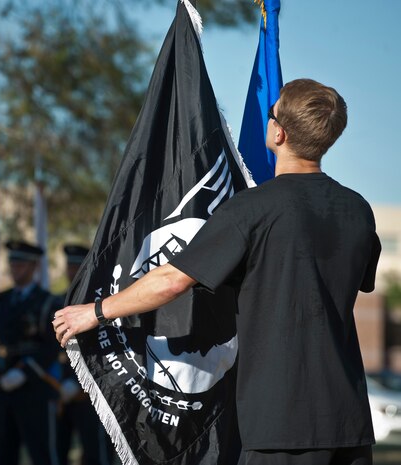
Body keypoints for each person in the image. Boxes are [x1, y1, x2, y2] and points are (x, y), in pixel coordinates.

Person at [53, 79, 381, 465]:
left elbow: (172, 279)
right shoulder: (358, 209)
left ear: (279, 132)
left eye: (271, 113)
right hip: (349, 419)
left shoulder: (252, 208)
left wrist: (95, 311)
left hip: (282, 423)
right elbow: (359, 284)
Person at [0, 240, 63, 465]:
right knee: (4, 451)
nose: (15, 268)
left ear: (34, 266)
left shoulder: (46, 301)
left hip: (35, 386)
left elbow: (52, 346)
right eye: (12, 263)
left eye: (21, 264)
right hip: (3, 383)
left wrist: (26, 372)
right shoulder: (0, 300)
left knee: (40, 451)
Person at [56, 244, 114, 465]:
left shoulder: (101, 304)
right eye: (69, 267)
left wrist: (77, 384)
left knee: (95, 453)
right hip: (60, 389)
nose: (72, 272)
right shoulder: (57, 302)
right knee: (59, 450)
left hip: (92, 393)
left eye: (77, 267)